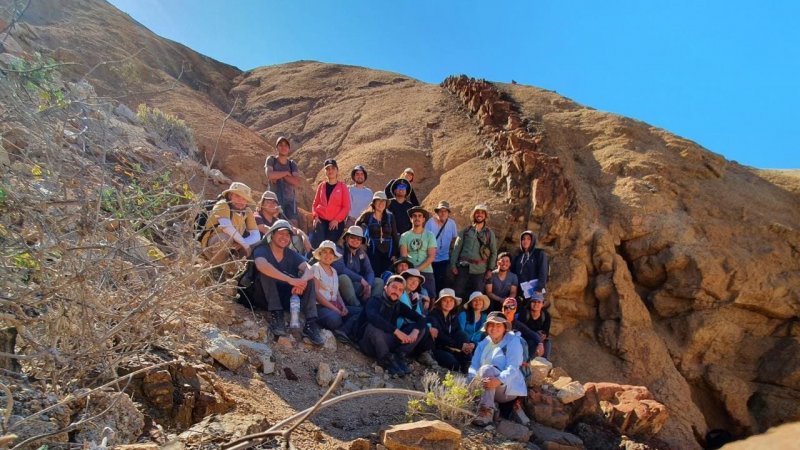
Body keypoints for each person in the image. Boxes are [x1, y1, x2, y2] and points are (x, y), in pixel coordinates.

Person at [253, 220, 324, 346]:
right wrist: (291, 280)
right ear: (272, 234)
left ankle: (310, 323)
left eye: (287, 235)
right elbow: (261, 265)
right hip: (262, 296)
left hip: (285, 298)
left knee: (310, 280)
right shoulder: (262, 249)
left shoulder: (291, 254)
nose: (284, 237)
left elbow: (310, 269)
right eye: (281, 233)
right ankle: (276, 316)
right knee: (266, 272)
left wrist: (301, 282)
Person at [354, 275, 430, 377]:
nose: (396, 291)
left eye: (400, 290)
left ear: (402, 293)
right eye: (394, 287)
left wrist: (415, 332)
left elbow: (422, 319)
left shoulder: (398, 305)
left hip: (387, 341)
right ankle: (385, 360)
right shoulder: (375, 300)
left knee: (421, 328)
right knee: (373, 328)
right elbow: (374, 318)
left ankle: (398, 356)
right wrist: (397, 332)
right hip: (368, 342)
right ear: (386, 288)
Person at [467, 311, 527, 427]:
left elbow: (513, 368)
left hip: (506, 388)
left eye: (498, 325)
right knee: (465, 380)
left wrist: (499, 380)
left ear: (505, 327)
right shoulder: (483, 343)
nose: (494, 328)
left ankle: (487, 413)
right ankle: (486, 406)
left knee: (486, 370)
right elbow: (474, 366)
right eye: (491, 325)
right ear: (487, 327)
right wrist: (471, 380)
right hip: (484, 385)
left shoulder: (513, 341)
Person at [201, 182, 260, 266]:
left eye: (244, 199)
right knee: (224, 239)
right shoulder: (222, 204)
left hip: (234, 246)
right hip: (212, 246)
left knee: (258, 243)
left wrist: (242, 243)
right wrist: (245, 245)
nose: (241, 201)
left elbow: (256, 235)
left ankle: (236, 269)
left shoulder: (247, 211)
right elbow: (227, 227)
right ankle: (218, 267)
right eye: (237, 196)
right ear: (230, 196)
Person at [310, 240, 361, 332]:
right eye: (325, 252)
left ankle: (344, 331)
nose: (328, 255)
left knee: (359, 312)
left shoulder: (334, 271)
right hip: (320, 307)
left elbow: (337, 294)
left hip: (335, 305)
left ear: (334, 256)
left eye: (331, 253)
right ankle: (343, 330)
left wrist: (343, 306)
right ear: (320, 254)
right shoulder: (316, 268)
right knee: (335, 319)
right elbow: (316, 294)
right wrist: (336, 310)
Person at [450, 204, 497, 300]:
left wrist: (490, 269)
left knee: (476, 297)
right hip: (463, 267)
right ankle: (457, 314)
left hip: (480, 270)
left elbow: (494, 252)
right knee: (458, 294)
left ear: (485, 216)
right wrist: (453, 265)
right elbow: (456, 248)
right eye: (477, 212)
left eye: (482, 213)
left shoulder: (489, 233)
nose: (479, 215)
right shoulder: (465, 231)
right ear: (474, 215)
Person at [333, 226, 384, 306]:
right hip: (343, 286)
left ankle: (371, 306)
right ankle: (357, 306)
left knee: (379, 281)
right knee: (343, 277)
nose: (355, 241)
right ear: (346, 238)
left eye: (359, 239)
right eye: (352, 237)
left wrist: (369, 286)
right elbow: (340, 269)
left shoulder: (362, 253)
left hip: (359, 285)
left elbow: (369, 271)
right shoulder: (339, 249)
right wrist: (361, 279)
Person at [398, 268, 437, 367]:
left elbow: (419, 315)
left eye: (417, 281)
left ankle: (421, 354)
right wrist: (425, 325)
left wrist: (428, 326)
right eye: (411, 280)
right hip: (399, 326)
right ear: (405, 279)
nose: (414, 283)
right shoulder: (400, 292)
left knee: (429, 326)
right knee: (422, 328)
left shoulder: (413, 296)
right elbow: (409, 315)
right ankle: (400, 354)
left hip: (409, 325)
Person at [428, 288, 474, 372]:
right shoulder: (434, 315)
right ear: (440, 302)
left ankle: (468, 361)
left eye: (451, 301)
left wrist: (468, 345)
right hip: (437, 348)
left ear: (454, 303)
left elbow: (458, 332)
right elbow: (439, 336)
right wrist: (460, 345)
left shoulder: (453, 316)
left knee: (462, 334)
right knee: (454, 364)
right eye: (445, 300)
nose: (448, 303)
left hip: (451, 347)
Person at [255, 190, 312, 255]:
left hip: (276, 248)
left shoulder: (276, 220)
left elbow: (294, 229)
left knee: (297, 238)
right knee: (289, 238)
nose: (271, 204)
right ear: (262, 204)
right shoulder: (257, 216)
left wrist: (305, 238)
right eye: (268, 202)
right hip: (262, 249)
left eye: (274, 202)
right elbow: (263, 228)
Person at [356, 191, 399, 276]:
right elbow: (357, 227)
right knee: (374, 274)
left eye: (383, 201)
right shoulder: (367, 216)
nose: (381, 203)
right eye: (378, 201)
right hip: (372, 251)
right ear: (374, 203)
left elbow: (394, 235)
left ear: (386, 203)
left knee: (387, 276)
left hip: (388, 252)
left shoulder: (390, 216)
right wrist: (362, 244)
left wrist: (395, 254)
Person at [399, 206, 437, 298]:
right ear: (411, 219)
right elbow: (404, 256)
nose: (417, 218)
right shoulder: (405, 236)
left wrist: (418, 269)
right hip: (410, 271)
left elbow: (431, 256)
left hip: (426, 269)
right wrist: (412, 270)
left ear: (423, 219)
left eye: (420, 216)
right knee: (409, 296)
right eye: (414, 216)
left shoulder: (430, 235)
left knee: (431, 296)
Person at [311, 159, 350, 247]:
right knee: (317, 241)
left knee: (328, 244)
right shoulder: (321, 186)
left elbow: (346, 207)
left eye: (333, 168)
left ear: (337, 170)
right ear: (325, 171)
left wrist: (336, 220)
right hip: (321, 219)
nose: (330, 171)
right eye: (328, 169)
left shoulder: (342, 187)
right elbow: (315, 203)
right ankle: (311, 259)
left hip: (336, 222)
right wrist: (315, 216)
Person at [264, 136, 303, 223]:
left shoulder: (292, 164)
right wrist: (286, 173)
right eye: (280, 145)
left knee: (293, 224)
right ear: (276, 148)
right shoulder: (271, 160)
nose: (283, 147)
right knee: (274, 224)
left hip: (290, 201)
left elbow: (296, 181)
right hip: (274, 200)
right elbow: (270, 175)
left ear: (289, 148)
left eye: (286, 145)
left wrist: (278, 175)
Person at [425, 200, 458, 293]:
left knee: (444, 282)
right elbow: (425, 238)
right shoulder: (430, 222)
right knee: (431, 282)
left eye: (445, 211)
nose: (443, 213)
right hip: (431, 258)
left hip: (445, 257)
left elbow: (454, 239)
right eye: (441, 211)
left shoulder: (452, 223)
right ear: (437, 212)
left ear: (448, 213)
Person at [512, 230, 549, 303]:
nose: (525, 241)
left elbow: (543, 271)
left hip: (535, 291)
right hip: (521, 292)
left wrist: (539, 288)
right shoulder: (518, 256)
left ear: (533, 241)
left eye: (528, 239)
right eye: (523, 239)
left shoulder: (539, 254)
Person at [520, 292, 551, 359]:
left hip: (539, 339)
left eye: (539, 302)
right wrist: (536, 336)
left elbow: (546, 331)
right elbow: (522, 329)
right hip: (526, 338)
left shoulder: (545, 315)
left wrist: (543, 335)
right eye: (534, 301)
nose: (536, 304)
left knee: (547, 343)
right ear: (530, 303)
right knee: (532, 342)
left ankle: (544, 362)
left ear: (542, 304)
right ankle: (529, 362)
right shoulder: (525, 314)